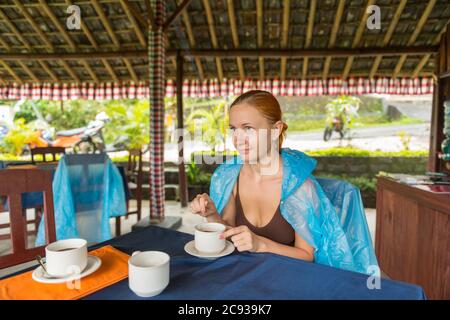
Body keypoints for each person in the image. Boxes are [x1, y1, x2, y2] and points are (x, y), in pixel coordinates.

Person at [190, 90, 378, 275]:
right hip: (243, 274)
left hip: (288, 279)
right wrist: (212, 215)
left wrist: (261, 244)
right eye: (234, 129)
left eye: (248, 128)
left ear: (275, 130)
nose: (239, 140)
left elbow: (306, 255)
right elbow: (228, 236)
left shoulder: (300, 187)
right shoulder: (228, 178)